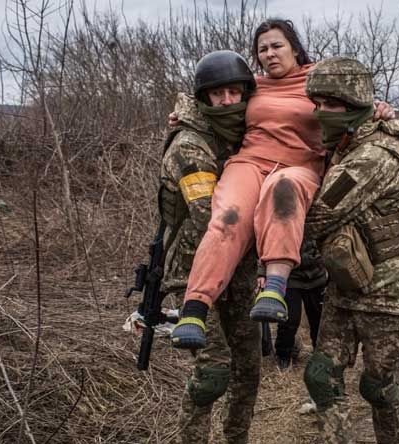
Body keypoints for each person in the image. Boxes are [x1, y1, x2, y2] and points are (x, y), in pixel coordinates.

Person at [171, 19, 393, 349]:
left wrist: (380, 108)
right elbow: (213, 99)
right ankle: (194, 309)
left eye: (277, 45)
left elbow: (353, 102)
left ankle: (275, 287)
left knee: (282, 189)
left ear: (294, 48)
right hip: (249, 162)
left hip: (300, 165)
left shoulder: (319, 78)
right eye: (262, 49)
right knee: (227, 217)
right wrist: (184, 115)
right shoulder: (254, 85)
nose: (270, 54)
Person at [302, 57, 399, 444]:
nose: (320, 113)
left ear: (355, 107)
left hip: (388, 295)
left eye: (331, 105)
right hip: (346, 285)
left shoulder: (373, 158)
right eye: (317, 104)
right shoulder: (349, 141)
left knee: (377, 386)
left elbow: (318, 216)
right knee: (321, 376)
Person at [156, 50, 261, 444]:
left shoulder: (246, 134)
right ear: (204, 98)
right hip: (195, 273)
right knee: (212, 373)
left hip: (239, 272)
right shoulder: (190, 144)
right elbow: (210, 218)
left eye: (235, 92)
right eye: (219, 94)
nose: (228, 101)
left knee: (248, 369)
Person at [272, 237, 327, 369]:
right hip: (290, 276)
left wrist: (320, 258)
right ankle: (283, 356)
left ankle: (320, 355)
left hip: (316, 276)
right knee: (289, 320)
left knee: (318, 319)